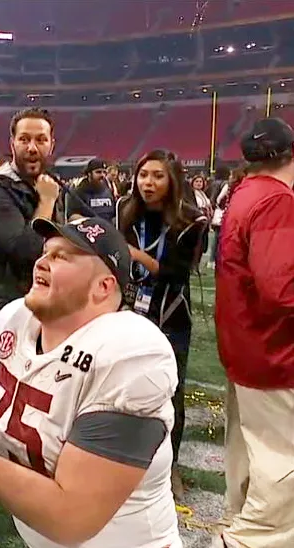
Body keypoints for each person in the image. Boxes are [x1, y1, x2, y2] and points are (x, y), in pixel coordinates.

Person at [0, 216, 182, 548]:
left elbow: (71, 518)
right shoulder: (17, 321)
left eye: (63, 256)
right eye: (46, 251)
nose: (42, 261)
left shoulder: (129, 355)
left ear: (103, 287)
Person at [212, 117, 294, 548]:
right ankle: (248, 543)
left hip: (245, 346)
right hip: (275, 353)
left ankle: (238, 527)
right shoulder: (276, 200)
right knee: (284, 470)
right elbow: (282, 289)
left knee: (248, 458)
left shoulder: (246, 192)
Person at [116, 149, 207, 498]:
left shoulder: (191, 220)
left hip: (170, 316)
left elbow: (175, 274)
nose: (148, 183)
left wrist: (135, 255)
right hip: (129, 313)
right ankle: (126, 462)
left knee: (171, 392)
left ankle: (170, 468)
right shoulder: (127, 210)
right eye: (143, 175)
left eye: (157, 176)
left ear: (172, 181)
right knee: (124, 388)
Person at [0, 108, 61, 349]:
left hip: (41, 301)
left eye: (41, 140)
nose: (32, 148)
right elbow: (28, 252)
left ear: (51, 145)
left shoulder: (45, 185)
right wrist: (47, 202)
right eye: (24, 139)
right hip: (6, 308)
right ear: (12, 144)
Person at [64, 158, 115, 222]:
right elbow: (72, 217)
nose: (103, 175)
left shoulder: (108, 192)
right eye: (98, 172)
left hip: (108, 230)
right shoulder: (77, 193)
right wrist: (89, 222)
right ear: (89, 174)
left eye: (104, 172)